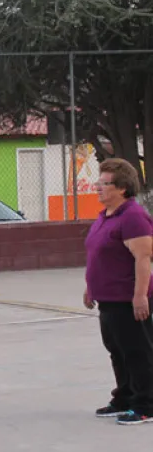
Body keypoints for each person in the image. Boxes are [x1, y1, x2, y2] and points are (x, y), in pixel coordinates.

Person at [84, 158, 153, 425]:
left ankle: (145, 404)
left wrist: (140, 296)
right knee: (118, 350)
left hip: (128, 300)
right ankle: (124, 397)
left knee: (138, 352)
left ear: (122, 188)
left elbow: (143, 258)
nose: (98, 188)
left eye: (104, 184)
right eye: (98, 182)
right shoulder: (105, 217)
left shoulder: (134, 217)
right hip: (108, 300)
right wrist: (90, 288)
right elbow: (98, 256)